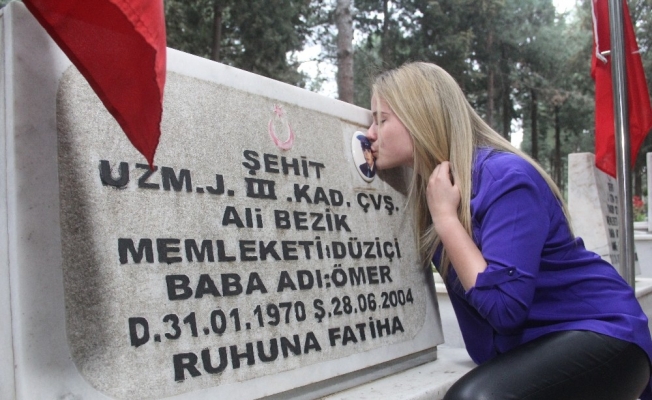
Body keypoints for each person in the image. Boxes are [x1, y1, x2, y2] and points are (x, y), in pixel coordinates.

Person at [365, 61, 652, 400]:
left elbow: (504, 308)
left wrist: (445, 220)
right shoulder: (433, 190)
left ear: (421, 118)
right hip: (535, 345)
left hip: (603, 332)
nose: (370, 133)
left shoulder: (505, 178)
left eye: (381, 120)